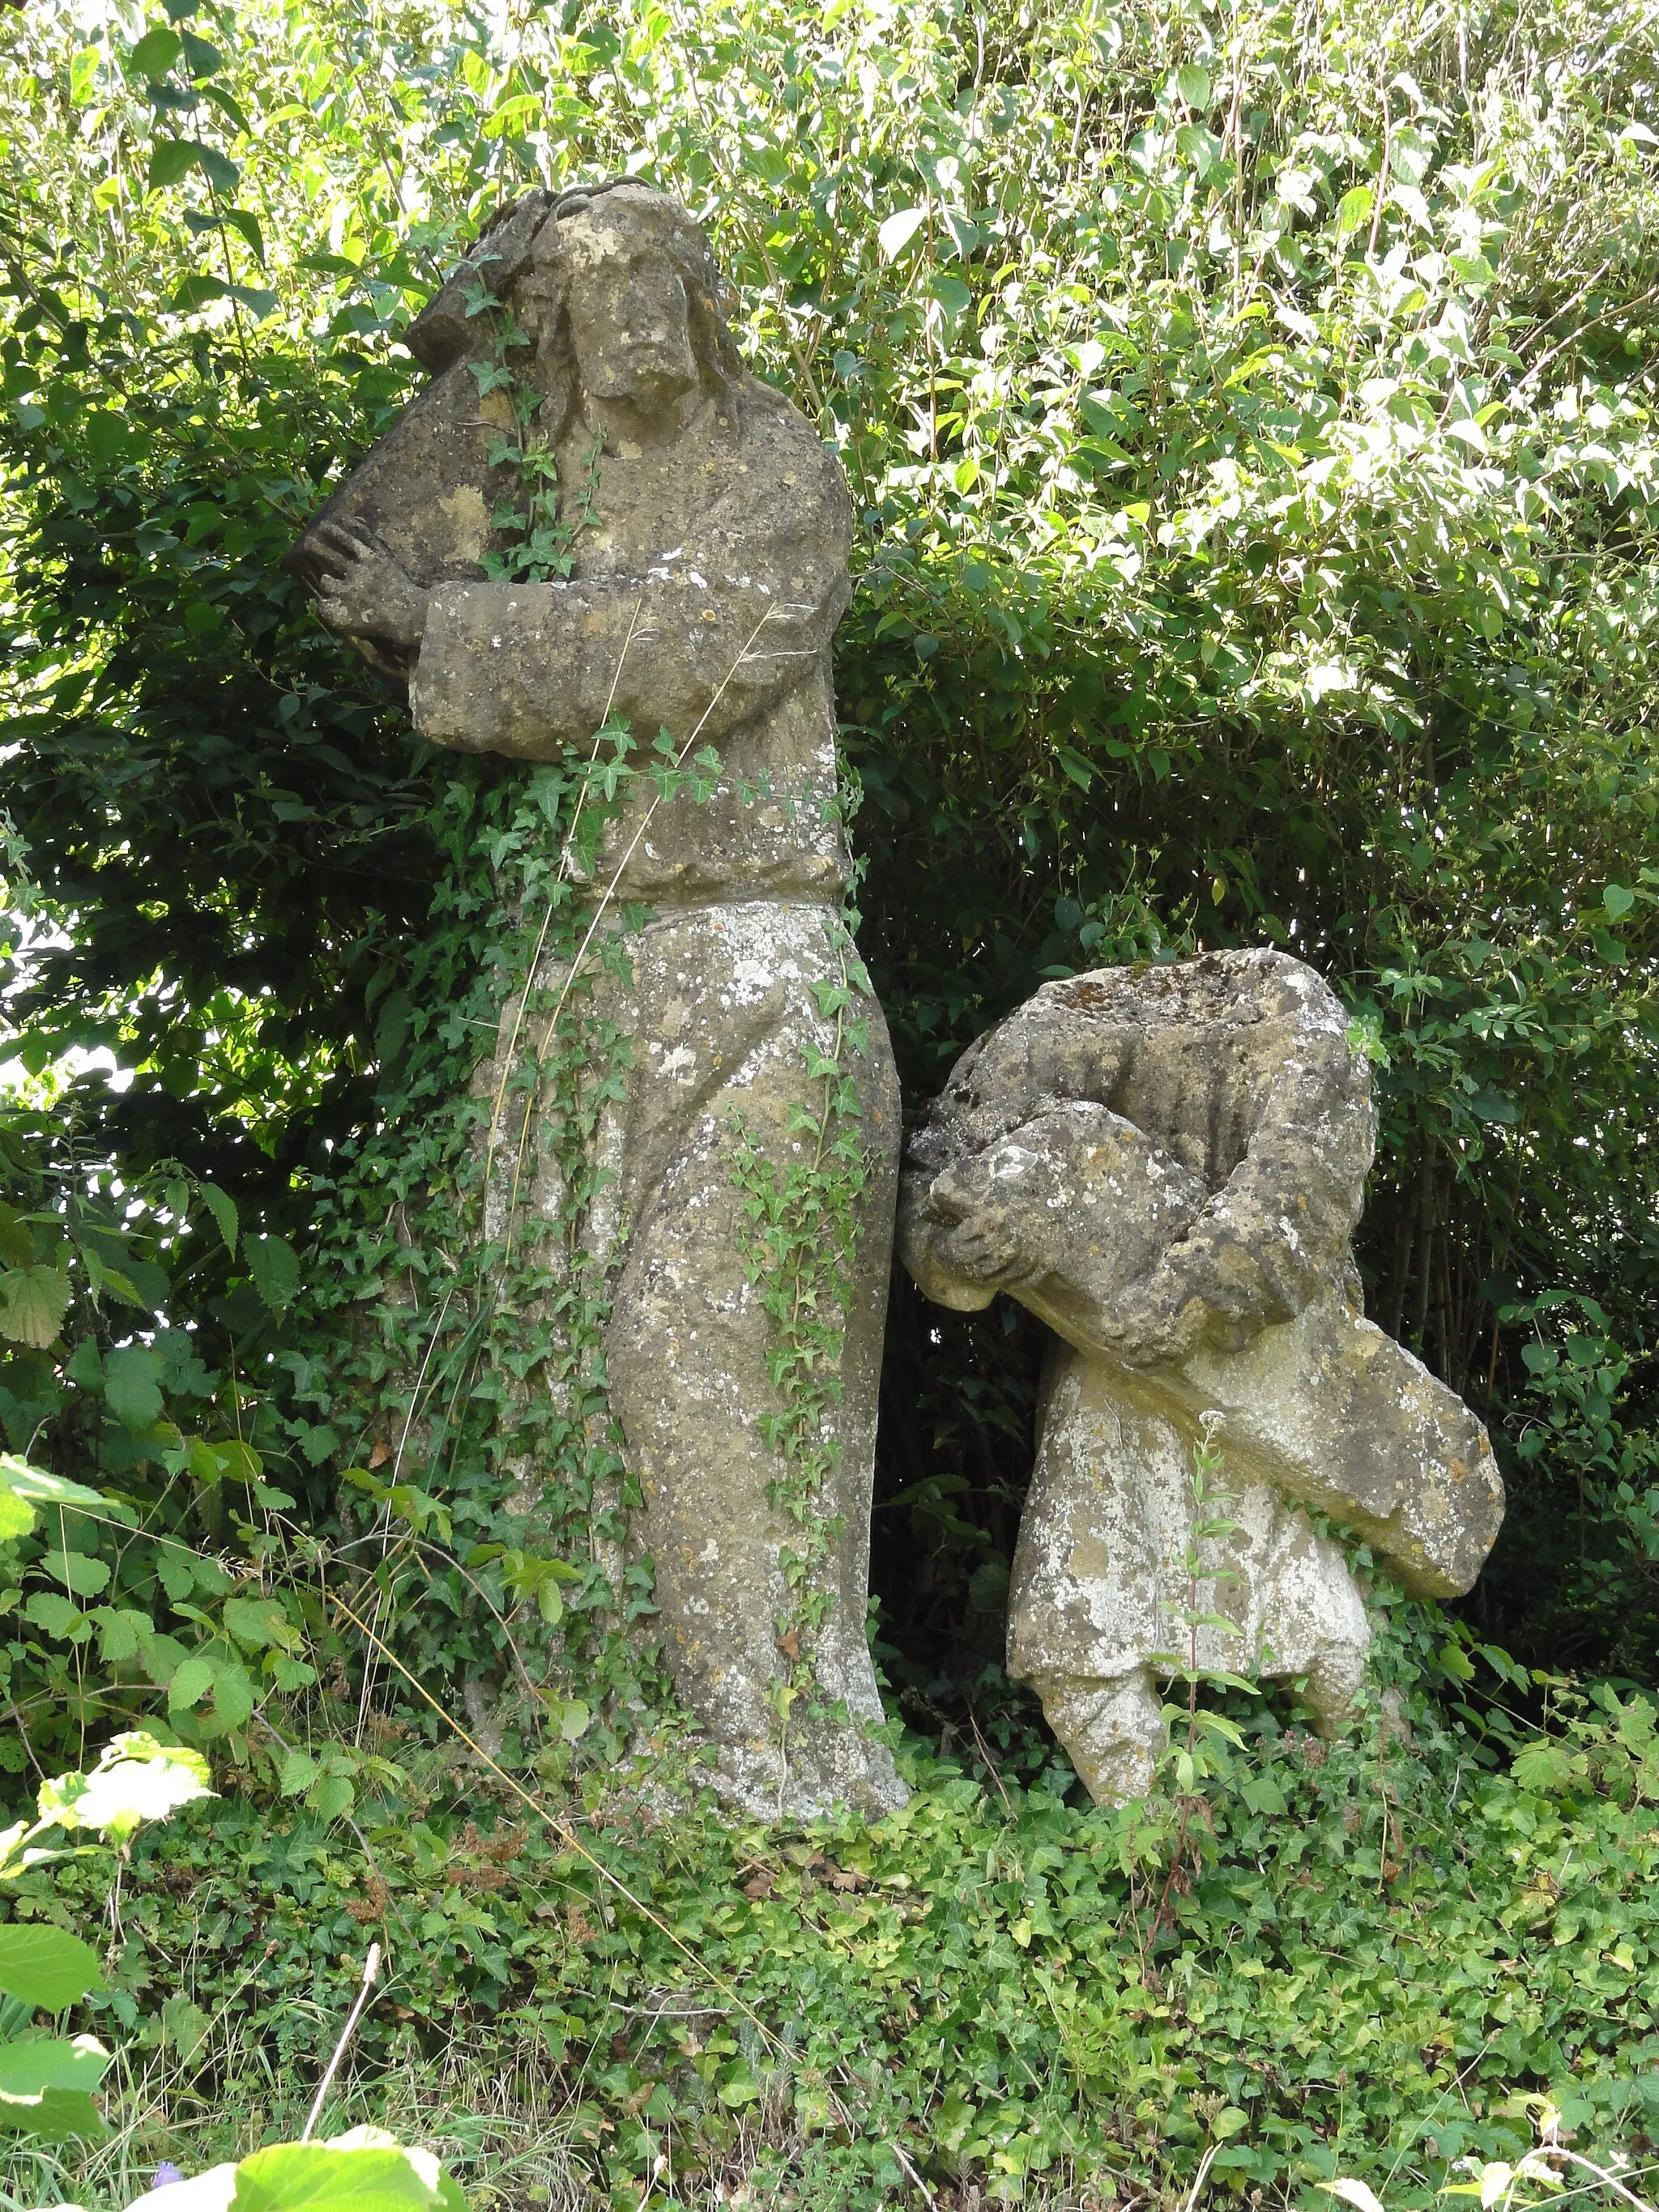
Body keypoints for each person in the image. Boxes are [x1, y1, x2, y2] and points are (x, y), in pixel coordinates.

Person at [291, 182, 906, 1818]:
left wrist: (458, 630)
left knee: (696, 1347)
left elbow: (696, 654)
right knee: (546, 1367)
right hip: (575, 977)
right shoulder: (535, 482)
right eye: (591, 286)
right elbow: (365, 543)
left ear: (704, 298)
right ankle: (604, 1753)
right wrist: (486, 325)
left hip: (755, 952)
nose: (629, 306)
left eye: (653, 272)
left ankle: (774, 1761)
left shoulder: (776, 466)